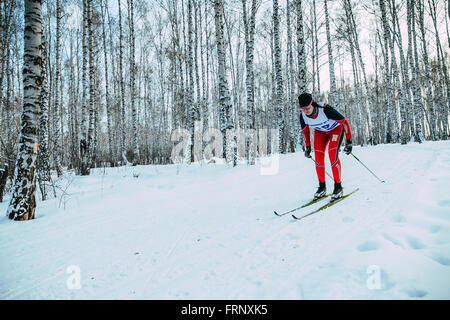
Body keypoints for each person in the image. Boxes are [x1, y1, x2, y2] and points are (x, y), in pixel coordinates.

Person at [298, 92, 353, 201]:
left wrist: (349, 141)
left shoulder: (324, 110)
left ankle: (338, 186)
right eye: (303, 109)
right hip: (321, 133)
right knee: (318, 156)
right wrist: (308, 147)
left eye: (308, 107)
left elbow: (344, 122)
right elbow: (305, 132)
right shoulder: (303, 116)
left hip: (335, 130)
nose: (306, 110)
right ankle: (322, 187)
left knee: (332, 153)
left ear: (312, 103)